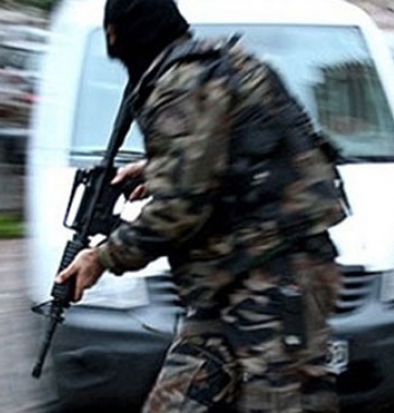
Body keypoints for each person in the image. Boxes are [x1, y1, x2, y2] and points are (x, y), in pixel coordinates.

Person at [54, 0, 347, 412]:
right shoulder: (218, 63)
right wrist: (158, 168)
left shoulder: (178, 84)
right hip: (229, 282)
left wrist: (102, 257)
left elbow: (180, 209)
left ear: (118, 34)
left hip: (275, 279)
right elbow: (236, 152)